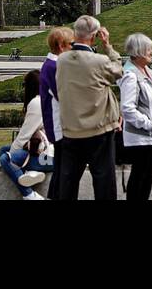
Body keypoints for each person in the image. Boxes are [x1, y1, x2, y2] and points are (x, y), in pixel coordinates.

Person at [55, 15, 123, 200]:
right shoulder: (99, 61)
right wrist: (108, 45)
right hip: (98, 131)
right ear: (94, 37)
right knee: (104, 183)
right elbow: (118, 71)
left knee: (68, 183)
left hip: (71, 131)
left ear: (75, 34)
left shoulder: (62, 61)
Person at [119, 32, 152, 201]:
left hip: (151, 137)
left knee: (148, 175)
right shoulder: (131, 75)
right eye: (149, 49)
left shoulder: (146, 71)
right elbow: (127, 108)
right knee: (141, 176)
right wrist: (148, 124)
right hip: (142, 137)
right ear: (139, 51)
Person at [0, 70, 51, 200]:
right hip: (48, 151)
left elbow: (24, 136)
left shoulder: (37, 103)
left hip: (47, 156)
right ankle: (29, 172)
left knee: (6, 158)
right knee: (3, 150)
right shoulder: (48, 98)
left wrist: (12, 155)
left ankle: (29, 194)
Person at [38, 26, 73, 200]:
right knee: (65, 171)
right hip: (59, 127)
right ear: (61, 46)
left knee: (61, 169)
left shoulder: (51, 64)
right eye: (71, 44)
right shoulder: (54, 66)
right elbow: (64, 96)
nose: (73, 48)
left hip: (58, 125)